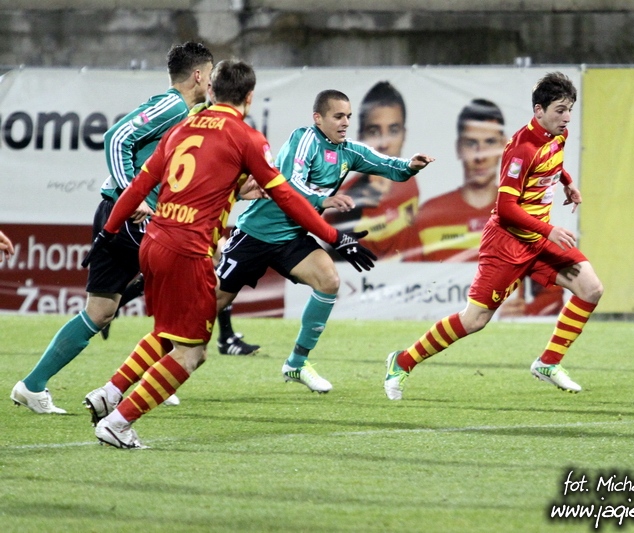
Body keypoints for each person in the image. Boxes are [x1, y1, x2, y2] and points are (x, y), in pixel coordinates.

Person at [84, 60, 375, 448]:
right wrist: (333, 236)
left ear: (212, 91)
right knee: (192, 354)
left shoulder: (183, 127)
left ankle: (110, 393)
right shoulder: (247, 138)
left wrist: (107, 233)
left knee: (167, 332)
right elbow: (287, 197)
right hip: (187, 250)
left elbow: (139, 186)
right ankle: (118, 423)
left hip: (154, 241)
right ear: (249, 97)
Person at [10, 41, 215, 415]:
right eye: (211, 74)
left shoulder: (186, 113)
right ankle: (160, 374)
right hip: (130, 215)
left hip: (118, 214)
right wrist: (132, 195)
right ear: (199, 75)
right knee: (185, 284)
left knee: (100, 311)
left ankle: (32, 385)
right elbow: (116, 137)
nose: (213, 82)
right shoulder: (173, 106)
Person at [384, 72, 603, 400]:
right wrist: (550, 229)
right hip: (508, 243)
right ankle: (402, 361)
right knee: (474, 320)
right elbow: (505, 208)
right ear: (539, 110)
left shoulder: (558, 134)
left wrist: (567, 183)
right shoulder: (521, 149)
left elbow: (552, 164)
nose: (567, 117)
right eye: (560, 110)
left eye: (569, 109)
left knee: (591, 288)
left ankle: (548, 363)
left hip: (538, 242)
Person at [216, 89, 434, 393]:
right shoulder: (304, 138)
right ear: (318, 118)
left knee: (329, 281)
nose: (345, 122)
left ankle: (296, 363)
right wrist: (323, 199)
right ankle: (164, 359)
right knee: (213, 303)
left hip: (292, 237)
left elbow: (386, 164)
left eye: (348, 116)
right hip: (256, 233)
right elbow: (290, 185)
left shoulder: (348, 151)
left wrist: (410, 166)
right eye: (338, 116)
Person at [324, 81, 419, 259]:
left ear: (404, 135)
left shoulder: (410, 182)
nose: (384, 143)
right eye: (374, 131)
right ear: (360, 138)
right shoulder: (342, 201)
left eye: (393, 130)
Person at [403, 98, 506, 262]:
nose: (481, 156)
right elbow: (405, 276)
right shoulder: (428, 217)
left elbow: (544, 276)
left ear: (504, 145)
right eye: (471, 143)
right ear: (458, 148)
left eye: (490, 142)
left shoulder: (524, 212)